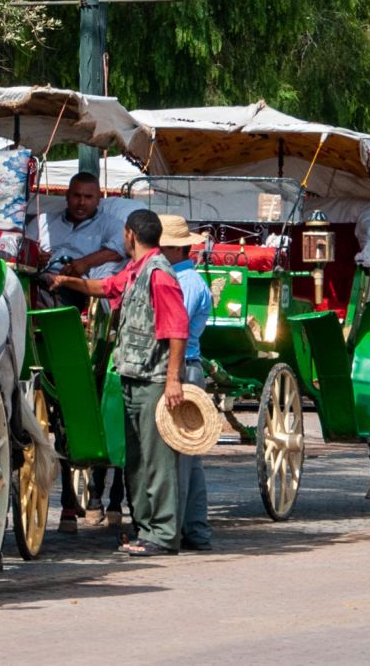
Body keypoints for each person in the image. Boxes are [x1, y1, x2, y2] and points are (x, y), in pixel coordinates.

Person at [47, 208, 191, 555]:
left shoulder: (159, 275)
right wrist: (67, 282)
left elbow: (177, 329)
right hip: (132, 375)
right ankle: (145, 530)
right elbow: (104, 287)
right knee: (136, 460)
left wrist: (173, 380)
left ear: (130, 235)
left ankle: (163, 534)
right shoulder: (136, 270)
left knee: (157, 460)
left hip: (153, 380)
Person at [29, 172, 144, 531]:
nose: (81, 202)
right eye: (76, 195)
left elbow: (119, 251)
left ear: (98, 199)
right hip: (48, 284)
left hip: (85, 291)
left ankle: (105, 494)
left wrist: (82, 264)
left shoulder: (111, 224)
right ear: (67, 196)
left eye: (88, 197)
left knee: (63, 292)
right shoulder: (44, 222)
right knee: (35, 284)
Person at [171, 221, 214, 551]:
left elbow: (177, 331)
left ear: (173, 249)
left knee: (180, 458)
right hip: (187, 367)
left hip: (182, 368)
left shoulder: (185, 283)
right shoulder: (185, 279)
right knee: (189, 457)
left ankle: (173, 529)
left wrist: (171, 377)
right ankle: (195, 529)